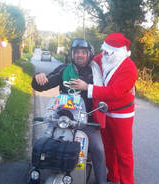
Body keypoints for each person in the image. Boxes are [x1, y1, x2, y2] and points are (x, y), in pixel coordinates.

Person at [31, 38, 107, 184]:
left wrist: (131, 88)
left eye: (83, 52)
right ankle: (37, 173)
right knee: (46, 145)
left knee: (98, 149)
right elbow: (43, 85)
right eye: (76, 52)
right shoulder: (64, 70)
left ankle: (101, 181)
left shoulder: (97, 72)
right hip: (62, 120)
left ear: (89, 54)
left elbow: (109, 87)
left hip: (87, 121)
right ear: (71, 54)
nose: (79, 55)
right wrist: (38, 79)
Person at [71, 33, 138, 184]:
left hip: (122, 115)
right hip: (104, 112)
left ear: (120, 52)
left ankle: (127, 181)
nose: (104, 55)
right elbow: (88, 61)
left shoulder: (130, 68)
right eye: (104, 51)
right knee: (108, 147)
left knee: (124, 152)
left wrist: (88, 87)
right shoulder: (103, 58)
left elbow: (115, 92)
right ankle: (113, 176)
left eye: (108, 52)